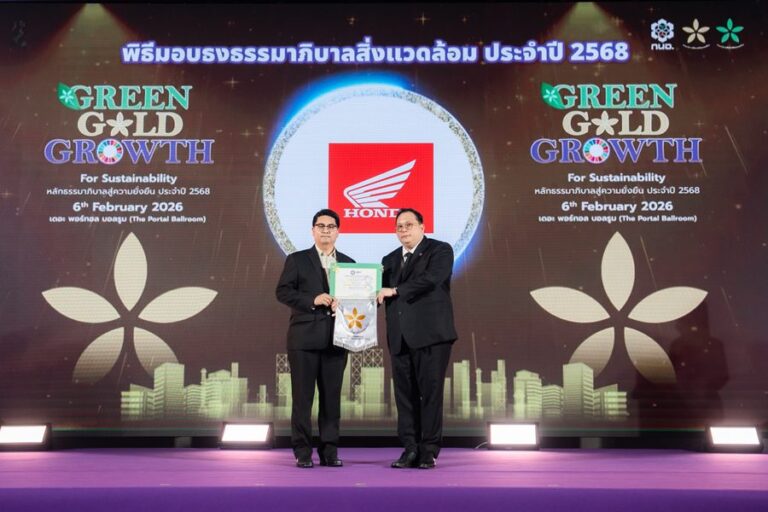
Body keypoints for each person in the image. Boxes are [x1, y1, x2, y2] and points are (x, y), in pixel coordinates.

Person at [376, 208, 457, 469]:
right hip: (400, 337)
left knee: (430, 395)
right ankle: (410, 448)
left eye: (409, 225)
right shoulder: (389, 259)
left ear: (422, 227)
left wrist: (395, 290)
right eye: (399, 226)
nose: (403, 230)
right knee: (405, 397)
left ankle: (428, 450)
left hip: (431, 335)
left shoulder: (440, 250)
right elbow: (378, 293)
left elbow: (432, 280)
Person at [276, 209, 353, 468]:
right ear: (312, 231)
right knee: (302, 399)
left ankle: (329, 451)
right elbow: (283, 292)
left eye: (331, 226)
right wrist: (313, 299)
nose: (326, 230)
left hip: (337, 340)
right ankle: (302, 452)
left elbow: (360, 300)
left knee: (332, 400)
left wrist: (352, 303)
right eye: (321, 226)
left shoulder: (349, 264)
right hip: (303, 340)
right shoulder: (297, 260)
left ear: (338, 232)